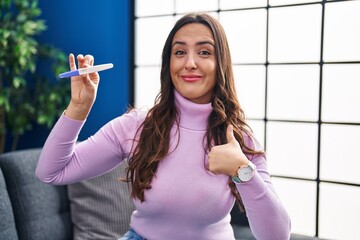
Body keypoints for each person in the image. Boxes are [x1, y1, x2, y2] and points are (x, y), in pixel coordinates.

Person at [36, 13, 291, 240]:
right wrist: (78, 108)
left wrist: (241, 170)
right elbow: (50, 172)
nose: (189, 63)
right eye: (179, 52)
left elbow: (278, 235)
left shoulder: (236, 138)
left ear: (220, 64)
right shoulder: (137, 126)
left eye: (204, 52)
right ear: (168, 64)